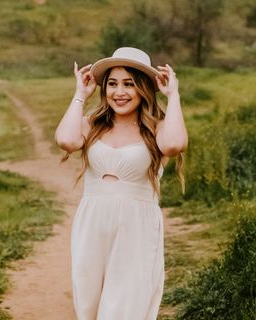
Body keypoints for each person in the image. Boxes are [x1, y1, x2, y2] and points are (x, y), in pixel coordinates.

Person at [55, 47, 188, 320]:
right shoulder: (93, 124)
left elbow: (175, 145)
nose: (119, 92)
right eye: (112, 84)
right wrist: (80, 95)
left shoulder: (157, 130)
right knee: (88, 306)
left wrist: (173, 95)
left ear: (143, 89)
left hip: (136, 226)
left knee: (123, 309)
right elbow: (66, 141)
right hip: (92, 223)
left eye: (129, 84)